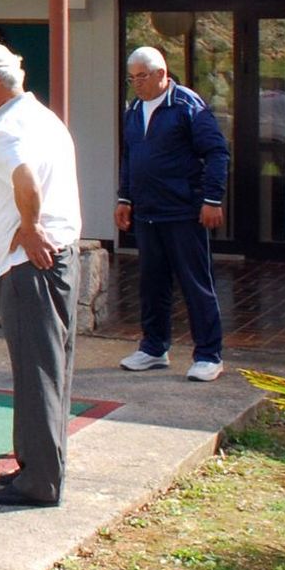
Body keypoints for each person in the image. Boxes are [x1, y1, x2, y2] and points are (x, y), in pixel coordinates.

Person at [0, 41, 81, 508]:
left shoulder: (11, 128)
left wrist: (29, 228)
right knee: (43, 368)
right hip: (51, 256)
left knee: (37, 369)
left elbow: (24, 178)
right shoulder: (42, 118)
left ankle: (41, 480)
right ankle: (34, 467)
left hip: (33, 262)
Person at [115, 46, 231, 383]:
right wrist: (125, 198)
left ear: (161, 74)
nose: (136, 83)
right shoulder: (134, 109)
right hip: (147, 211)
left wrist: (212, 199)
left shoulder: (187, 106)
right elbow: (131, 156)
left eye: (142, 77)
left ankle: (209, 354)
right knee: (151, 283)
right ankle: (153, 347)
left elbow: (217, 152)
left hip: (183, 211)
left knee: (195, 283)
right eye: (131, 77)